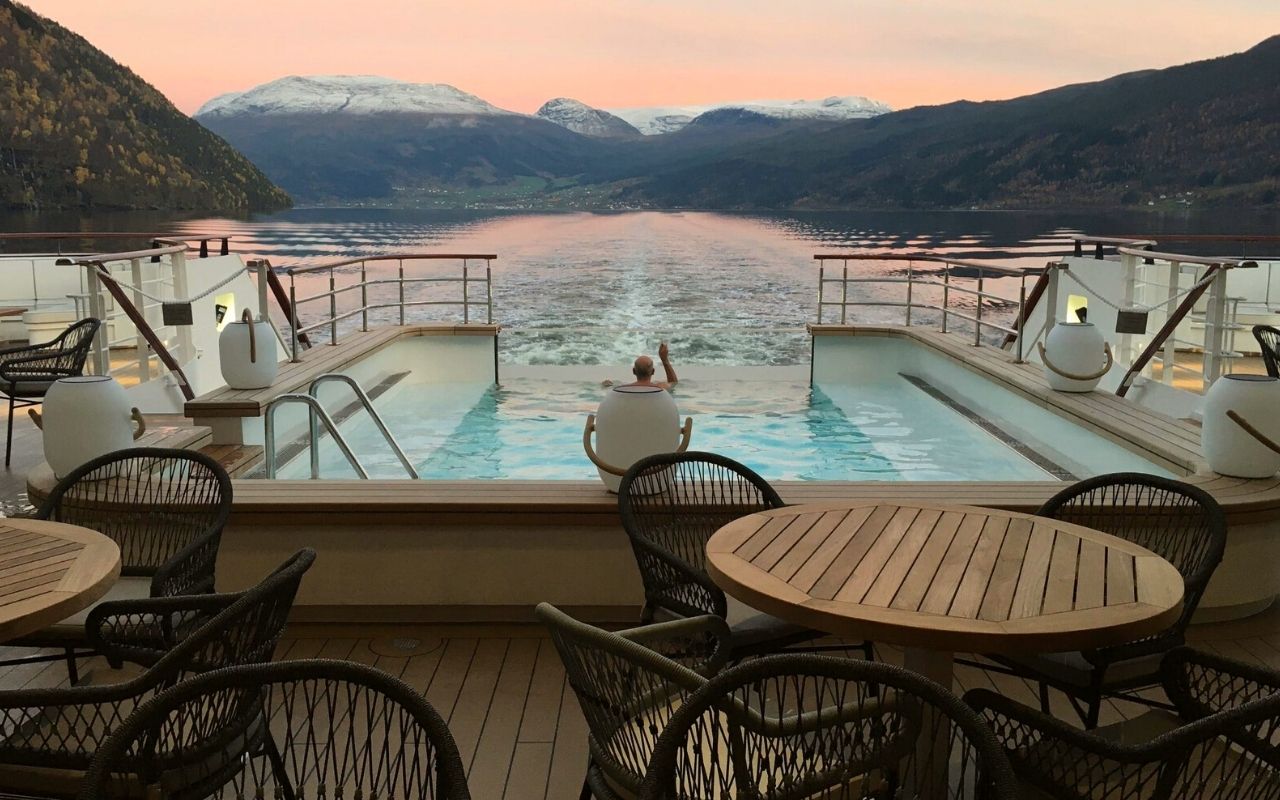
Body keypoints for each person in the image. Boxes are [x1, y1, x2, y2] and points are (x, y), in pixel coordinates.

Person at [604, 341, 678, 390]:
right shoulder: (660, 387)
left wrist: (609, 384)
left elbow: (607, 385)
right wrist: (665, 360)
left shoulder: (624, 388)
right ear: (653, 371)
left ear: (633, 371)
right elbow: (674, 383)